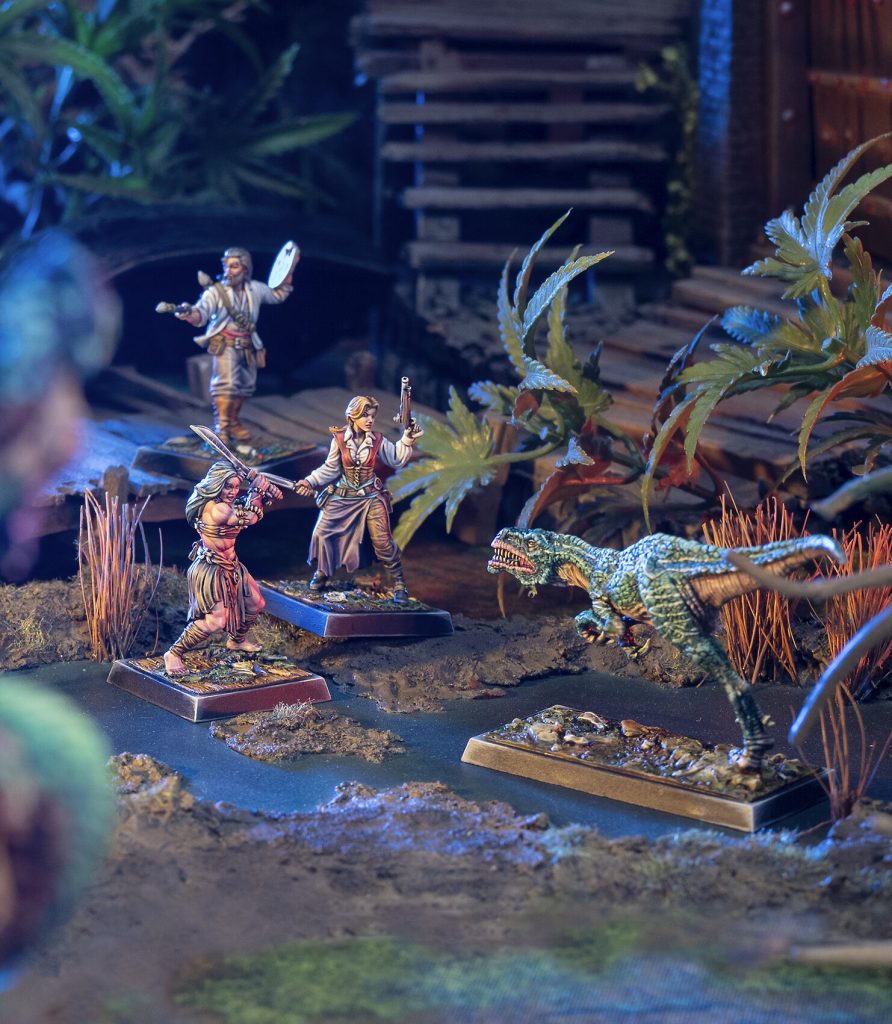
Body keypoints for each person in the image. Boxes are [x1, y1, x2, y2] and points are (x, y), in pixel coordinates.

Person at [294, 395, 422, 603]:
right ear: (352, 416)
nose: (370, 420)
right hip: (343, 495)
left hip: (371, 496)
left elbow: (396, 458)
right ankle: (323, 572)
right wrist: (309, 482)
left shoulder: (377, 439)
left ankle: (399, 584)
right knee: (322, 533)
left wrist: (407, 438)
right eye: (365, 415)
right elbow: (330, 468)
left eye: (372, 416)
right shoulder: (339, 439)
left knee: (382, 542)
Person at [163, 460, 283, 676]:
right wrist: (257, 490)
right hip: (212, 569)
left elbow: (245, 507)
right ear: (217, 484)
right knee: (215, 621)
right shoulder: (215, 508)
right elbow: (249, 517)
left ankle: (237, 640)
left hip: (232, 565)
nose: (233, 491)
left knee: (255, 603)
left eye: (236, 487)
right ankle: (174, 653)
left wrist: (263, 493)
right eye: (228, 486)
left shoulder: (227, 503)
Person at [175, 245, 296, 444]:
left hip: (247, 345)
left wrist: (287, 271)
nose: (228, 271)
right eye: (226, 266)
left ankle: (233, 422)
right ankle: (222, 428)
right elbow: (201, 313)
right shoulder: (215, 292)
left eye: (234, 266)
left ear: (245, 268)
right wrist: (189, 312)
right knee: (226, 385)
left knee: (245, 387)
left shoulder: (255, 289)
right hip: (225, 344)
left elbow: (277, 295)